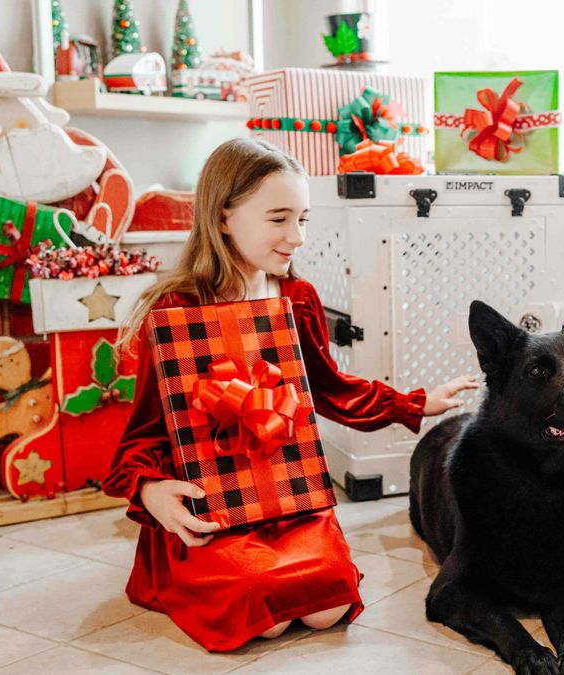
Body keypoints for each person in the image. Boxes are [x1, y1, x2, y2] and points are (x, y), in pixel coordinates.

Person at [105, 138, 477, 651]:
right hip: (215, 497)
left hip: (288, 491)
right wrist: (151, 491)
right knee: (263, 609)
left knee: (327, 602)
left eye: (304, 219)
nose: (297, 237)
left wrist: (414, 403)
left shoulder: (296, 298)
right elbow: (143, 433)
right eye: (279, 219)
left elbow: (329, 388)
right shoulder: (177, 309)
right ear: (222, 218)